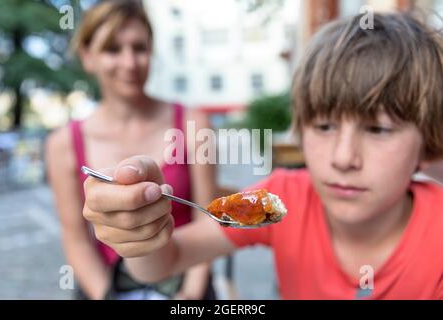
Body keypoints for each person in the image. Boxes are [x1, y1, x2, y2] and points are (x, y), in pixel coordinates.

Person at [81, 12, 443, 299]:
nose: (344, 158)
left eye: (378, 130)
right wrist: (140, 236)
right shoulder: (285, 197)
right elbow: (167, 261)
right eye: (324, 127)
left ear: (427, 145)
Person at [46, 0, 216, 300]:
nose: (129, 63)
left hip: (184, 278)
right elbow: (76, 241)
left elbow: (208, 220)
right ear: (88, 57)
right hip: (109, 284)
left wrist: (189, 294)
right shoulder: (62, 144)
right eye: (113, 49)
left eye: (139, 48)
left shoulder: (193, 123)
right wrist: (106, 295)